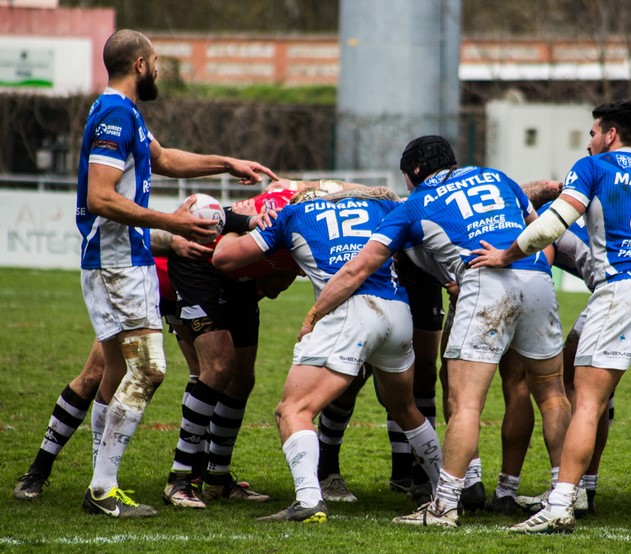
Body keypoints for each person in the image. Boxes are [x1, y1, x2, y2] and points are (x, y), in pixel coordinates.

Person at [299, 135, 567, 528]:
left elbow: (358, 268)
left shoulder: (415, 203)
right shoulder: (495, 176)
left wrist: (314, 314)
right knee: (553, 395)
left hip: (486, 281)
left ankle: (444, 505)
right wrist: (535, 266)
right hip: (538, 278)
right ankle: (562, 498)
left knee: (465, 402)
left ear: (415, 172)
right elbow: (541, 231)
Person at [471, 99, 631, 533]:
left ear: (611, 134)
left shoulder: (594, 168)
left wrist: (505, 255)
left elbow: (550, 227)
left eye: (593, 132)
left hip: (623, 290)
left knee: (587, 402)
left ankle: (562, 503)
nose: (589, 141)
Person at [76, 29, 276, 518]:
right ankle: (102, 488)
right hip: (118, 261)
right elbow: (99, 197)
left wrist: (225, 163)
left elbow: (163, 159)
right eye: (157, 61)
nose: (159, 69)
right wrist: (172, 222)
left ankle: (100, 483)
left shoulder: (124, 113)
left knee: (122, 370)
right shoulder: (115, 115)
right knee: (148, 370)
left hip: (121, 260)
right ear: (140, 65)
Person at [212, 181, 443, 524]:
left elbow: (224, 258)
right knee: (406, 409)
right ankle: (447, 493)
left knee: (292, 410)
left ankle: (308, 499)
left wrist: (239, 224)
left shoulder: (292, 213)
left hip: (350, 312)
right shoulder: (379, 205)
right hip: (397, 313)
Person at [13, 231, 211, 501]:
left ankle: (194, 475)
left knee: (207, 372)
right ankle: (39, 469)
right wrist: (174, 232)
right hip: (146, 284)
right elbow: (139, 230)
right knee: (97, 373)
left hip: (191, 293)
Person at [163, 191, 296, 508]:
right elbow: (222, 219)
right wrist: (248, 221)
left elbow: (276, 285)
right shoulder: (283, 211)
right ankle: (179, 478)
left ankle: (217, 479)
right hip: (200, 267)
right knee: (219, 366)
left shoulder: (320, 227)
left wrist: (281, 271)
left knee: (242, 379)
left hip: (241, 278)